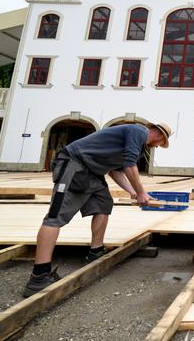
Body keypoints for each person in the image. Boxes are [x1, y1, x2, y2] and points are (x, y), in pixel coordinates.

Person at [23, 122, 173, 297]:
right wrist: (141, 192)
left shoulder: (136, 143)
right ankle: (39, 275)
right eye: (160, 142)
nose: (157, 145)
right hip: (73, 164)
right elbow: (129, 165)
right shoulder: (138, 131)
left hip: (93, 172)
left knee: (103, 204)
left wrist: (133, 193)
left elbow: (115, 171)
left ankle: (96, 252)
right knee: (56, 216)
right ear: (159, 135)